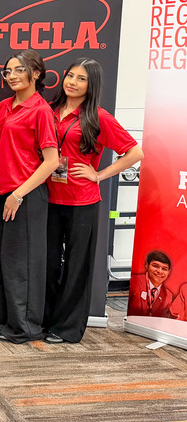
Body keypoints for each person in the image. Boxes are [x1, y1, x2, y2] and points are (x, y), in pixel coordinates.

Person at [45, 58, 143, 343]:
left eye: (81, 79)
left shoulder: (98, 117)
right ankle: (46, 319)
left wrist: (99, 175)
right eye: (70, 76)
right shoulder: (50, 111)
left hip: (81, 201)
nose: (72, 82)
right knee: (48, 263)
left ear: (92, 85)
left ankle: (66, 328)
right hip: (48, 198)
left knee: (77, 265)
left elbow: (135, 153)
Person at [0, 49, 59, 344]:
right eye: (8, 71)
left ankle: (26, 327)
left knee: (24, 264)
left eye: (19, 70)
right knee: (6, 262)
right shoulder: (4, 106)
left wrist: (18, 194)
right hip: (3, 192)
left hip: (26, 195)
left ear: (36, 73)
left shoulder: (40, 110)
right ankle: (6, 321)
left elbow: (52, 161)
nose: (12, 76)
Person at [128, 251, 174, 317]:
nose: (160, 271)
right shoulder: (134, 282)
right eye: (155, 266)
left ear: (169, 272)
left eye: (164, 269)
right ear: (147, 266)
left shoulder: (168, 295)